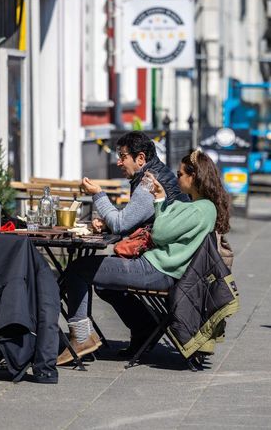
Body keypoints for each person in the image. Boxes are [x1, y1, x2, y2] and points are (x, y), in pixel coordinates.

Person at [57, 149, 231, 364]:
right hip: (160, 267)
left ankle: (81, 338)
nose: (176, 178)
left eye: (180, 174)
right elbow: (167, 225)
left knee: (78, 269)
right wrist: (161, 198)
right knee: (104, 285)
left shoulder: (202, 209)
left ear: (193, 177)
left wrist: (159, 201)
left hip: (159, 270)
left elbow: (160, 233)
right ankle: (144, 328)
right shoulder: (196, 205)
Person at [81, 131, 188, 235]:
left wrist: (98, 194)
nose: (119, 163)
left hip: (166, 250)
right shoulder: (158, 171)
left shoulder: (150, 182)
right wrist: (108, 224)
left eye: (123, 157)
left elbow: (119, 225)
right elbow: (132, 220)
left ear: (141, 158)